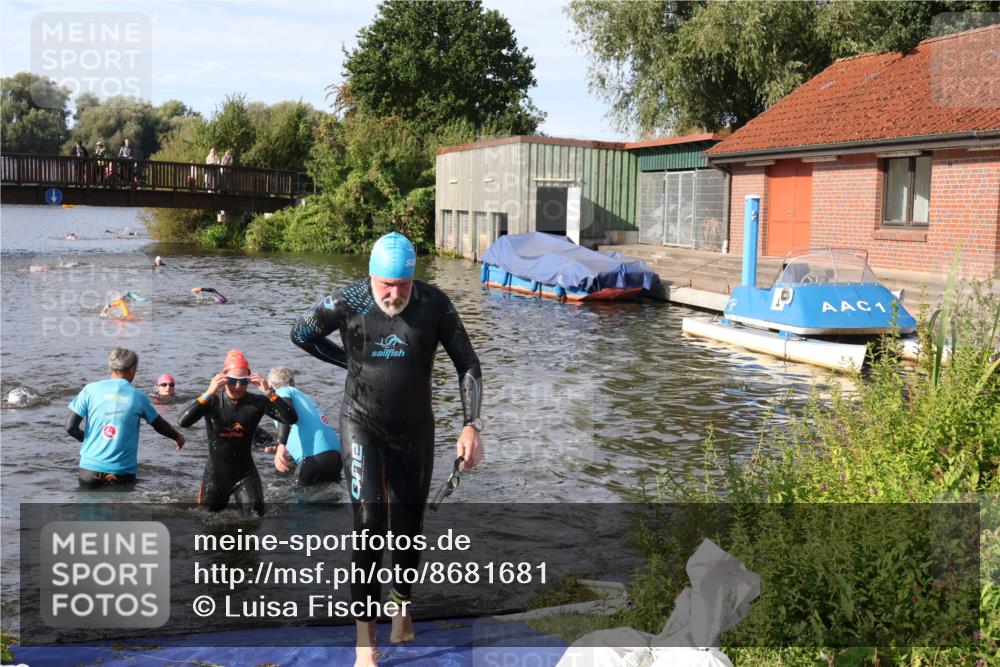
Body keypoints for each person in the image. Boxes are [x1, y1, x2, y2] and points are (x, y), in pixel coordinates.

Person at [291, 231, 483, 665]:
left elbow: (468, 363)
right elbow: (301, 333)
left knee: (408, 527)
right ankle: (364, 642)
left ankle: (401, 604)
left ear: (414, 281)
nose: (393, 295)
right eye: (385, 285)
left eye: (402, 286)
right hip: (361, 422)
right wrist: (348, 361)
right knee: (367, 523)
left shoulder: (434, 304)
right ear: (371, 277)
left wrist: (470, 426)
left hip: (414, 430)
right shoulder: (347, 300)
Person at [178, 349, 297, 517]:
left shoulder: (257, 402)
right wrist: (208, 392)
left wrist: (269, 393)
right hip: (215, 476)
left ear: (249, 380)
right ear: (223, 378)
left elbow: (290, 418)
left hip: (245, 474)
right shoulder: (212, 401)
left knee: (255, 519)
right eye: (233, 381)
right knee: (207, 523)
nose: (238, 386)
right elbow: (183, 422)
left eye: (243, 381)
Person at [65, 347, 185, 488]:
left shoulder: (90, 390)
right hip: (121, 473)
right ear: (133, 369)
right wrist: (178, 437)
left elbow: (70, 427)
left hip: (89, 471)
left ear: (110, 366)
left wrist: (86, 438)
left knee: (88, 508)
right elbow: (159, 424)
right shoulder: (138, 397)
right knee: (120, 509)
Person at [266, 366, 342, 486]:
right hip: (336, 457)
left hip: (315, 458)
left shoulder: (281, 392)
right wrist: (282, 448)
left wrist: (281, 447)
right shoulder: (303, 397)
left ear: (270, 386)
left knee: (297, 499)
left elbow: (285, 415)